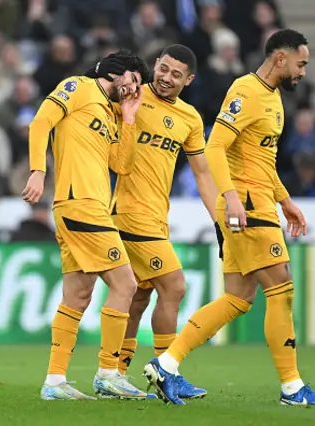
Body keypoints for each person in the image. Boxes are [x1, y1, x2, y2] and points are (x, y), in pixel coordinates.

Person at [143, 29, 315, 407]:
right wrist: (231, 198)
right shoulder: (245, 91)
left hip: (259, 200)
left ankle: (167, 364)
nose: (303, 72)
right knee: (281, 288)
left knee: (238, 297)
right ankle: (292, 388)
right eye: (301, 64)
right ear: (280, 58)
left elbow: (263, 159)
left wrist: (285, 201)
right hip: (246, 204)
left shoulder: (275, 99)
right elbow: (215, 145)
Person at [87, 44, 217, 400]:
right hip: (128, 213)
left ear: (188, 80)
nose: (166, 78)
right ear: (154, 66)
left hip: (157, 218)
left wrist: (219, 219)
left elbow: (202, 173)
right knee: (174, 287)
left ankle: (114, 374)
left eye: (177, 74)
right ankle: (166, 370)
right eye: (163, 68)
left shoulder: (190, 119)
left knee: (140, 298)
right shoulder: (133, 96)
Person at [22, 50, 151, 401]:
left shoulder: (111, 113)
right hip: (80, 205)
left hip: (89, 208)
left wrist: (128, 118)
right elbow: (40, 123)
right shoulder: (77, 87)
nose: (137, 88)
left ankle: (54, 381)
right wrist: (38, 169)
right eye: (134, 81)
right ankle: (109, 373)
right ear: (118, 74)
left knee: (77, 296)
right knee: (127, 284)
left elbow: (121, 165)